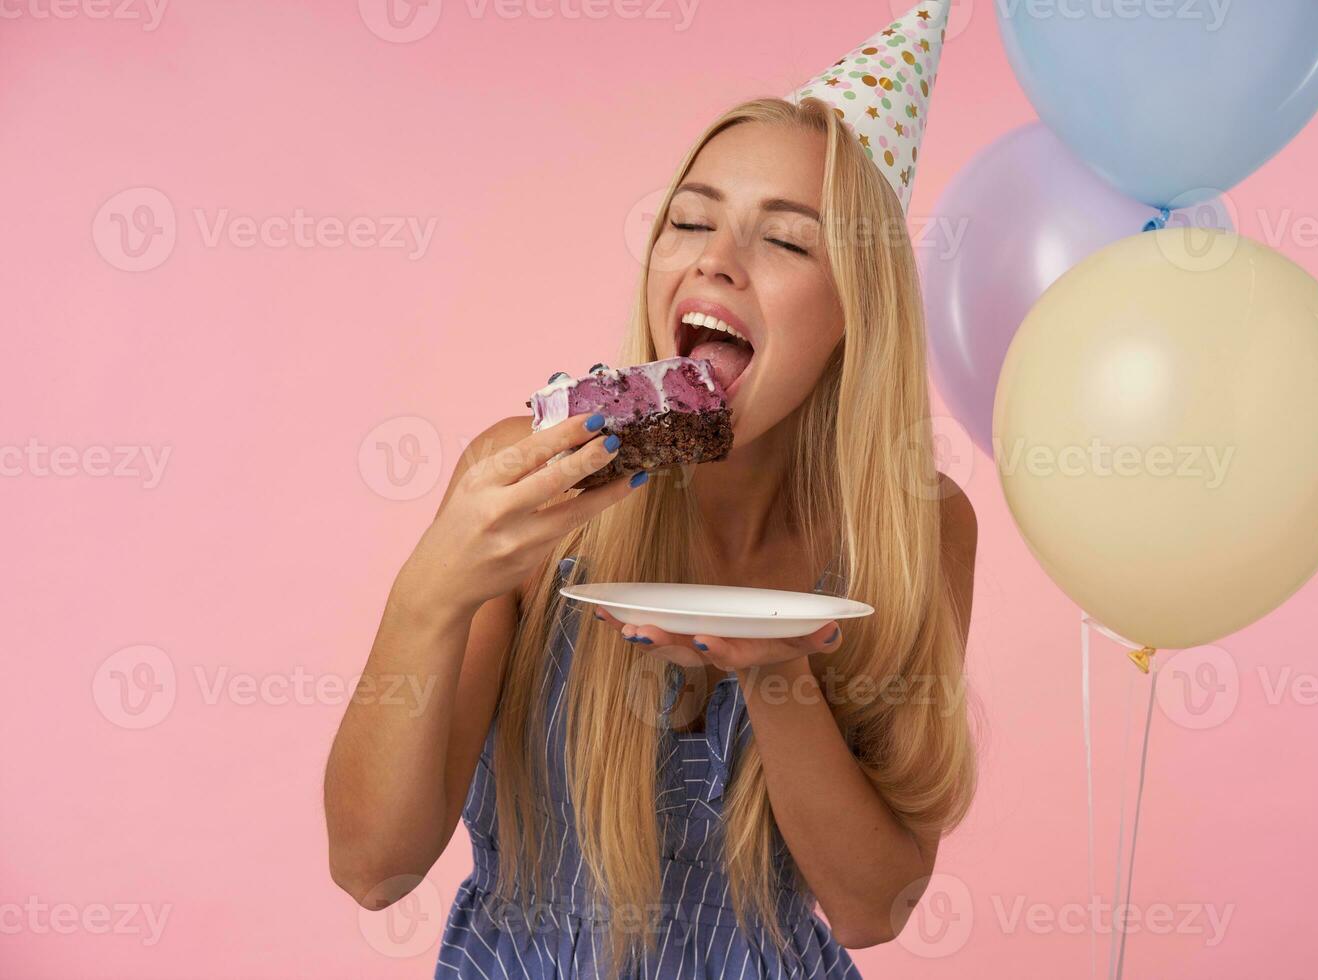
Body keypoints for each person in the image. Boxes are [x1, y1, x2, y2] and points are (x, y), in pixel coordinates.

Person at [325, 3, 979, 977]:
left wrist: (775, 672)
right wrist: (432, 590)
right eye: (691, 219)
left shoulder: (916, 528)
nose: (716, 257)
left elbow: (873, 906)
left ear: (856, 308)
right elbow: (373, 867)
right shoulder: (528, 478)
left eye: (788, 241)